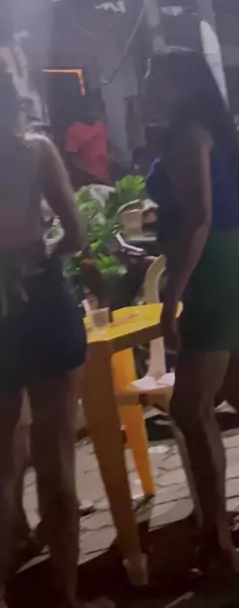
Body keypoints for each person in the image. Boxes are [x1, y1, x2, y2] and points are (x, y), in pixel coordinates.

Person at [144, 48, 239, 575]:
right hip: (235, 258)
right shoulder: (206, 129)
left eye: (153, 77)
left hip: (214, 268)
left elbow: (199, 218)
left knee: (190, 408)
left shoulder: (187, 134)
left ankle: (217, 543)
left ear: (179, 83)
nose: (145, 87)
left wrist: (171, 294)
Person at [0, 66, 88, 608]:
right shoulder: (35, 152)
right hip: (44, 302)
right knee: (56, 457)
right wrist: (43, 251)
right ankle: (65, 592)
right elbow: (76, 234)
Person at [65, 94, 110, 187]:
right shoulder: (74, 130)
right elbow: (72, 159)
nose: (94, 114)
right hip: (89, 181)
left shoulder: (101, 124)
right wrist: (86, 177)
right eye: (91, 110)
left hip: (105, 177)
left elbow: (106, 145)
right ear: (84, 111)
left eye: (97, 110)